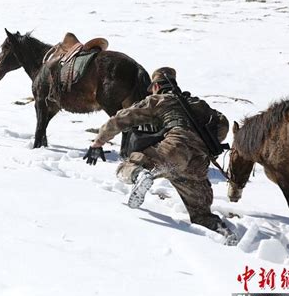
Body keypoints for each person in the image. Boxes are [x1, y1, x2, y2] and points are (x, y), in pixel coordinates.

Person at [84, 67, 236, 244]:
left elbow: (121, 118)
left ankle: (140, 175)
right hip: (199, 163)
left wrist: (98, 142)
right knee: (201, 214)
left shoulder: (158, 100)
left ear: (155, 86)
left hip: (175, 149)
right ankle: (227, 235)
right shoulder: (198, 104)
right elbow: (223, 124)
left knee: (128, 166)